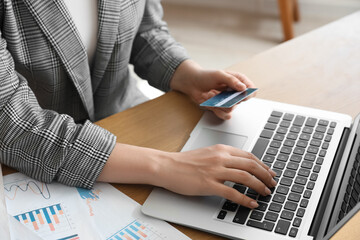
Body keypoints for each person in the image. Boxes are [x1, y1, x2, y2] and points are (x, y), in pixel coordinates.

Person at [0, 0, 276, 209]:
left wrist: (188, 74)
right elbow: (12, 122)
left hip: (130, 119)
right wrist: (167, 167)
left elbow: (145, 29)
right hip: (34, 161)